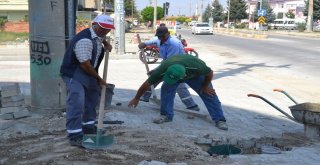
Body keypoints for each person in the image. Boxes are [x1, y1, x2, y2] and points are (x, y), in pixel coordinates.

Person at [128, 55, 228, 130]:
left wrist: (205, 86)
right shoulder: (163, 70)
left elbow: (209, 73)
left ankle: (220, 120)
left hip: (194, 75)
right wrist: (136, 98)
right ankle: (166, 115)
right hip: (174, 68)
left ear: (183, 76)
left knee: (209, 94)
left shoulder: (197, 67)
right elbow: (146, 84)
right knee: (166, 90)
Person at [60, 14, 115, 147]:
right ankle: (74, 134)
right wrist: (99, 79)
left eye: (108, 29)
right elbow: (85, 64)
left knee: (92, 99)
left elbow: (99, 38)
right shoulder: (84, 40)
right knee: (77, 102)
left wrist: (105, 42)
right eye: (102, 28)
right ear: (94, 25)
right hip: (75, 73)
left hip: (89, 72)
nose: (105, 31)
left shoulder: (97, 35)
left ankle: (88, 126)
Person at [139, 26, 200, 111]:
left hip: (178, 65)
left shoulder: (174, 44)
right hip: (168, 63)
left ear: (168, 34)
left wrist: (157, 70)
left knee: (179, 85)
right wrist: (145, 44)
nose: (161, 39)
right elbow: (152, 41)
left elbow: (170, 61)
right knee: (153, 78)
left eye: (162, 36)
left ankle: (192, 106)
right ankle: (145, 97)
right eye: (159, 36)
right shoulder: (159, 39)